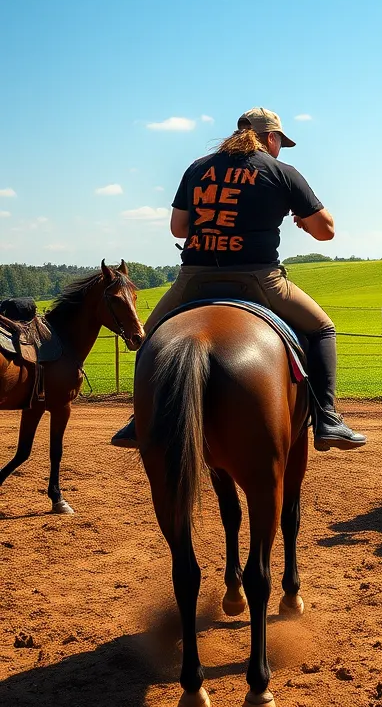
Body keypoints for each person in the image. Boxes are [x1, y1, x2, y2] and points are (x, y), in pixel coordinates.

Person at [111, 108, 366, 451]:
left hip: (195, 278)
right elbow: (327, 232)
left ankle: (138, 420)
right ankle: (328, 420)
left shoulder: (198, 167)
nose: (280, 148)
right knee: (323, 328)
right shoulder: (281, 171)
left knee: (151, 337)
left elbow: (178, 228)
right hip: (260, 278)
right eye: (280, 142)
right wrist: (305, 222)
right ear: (271, 138)